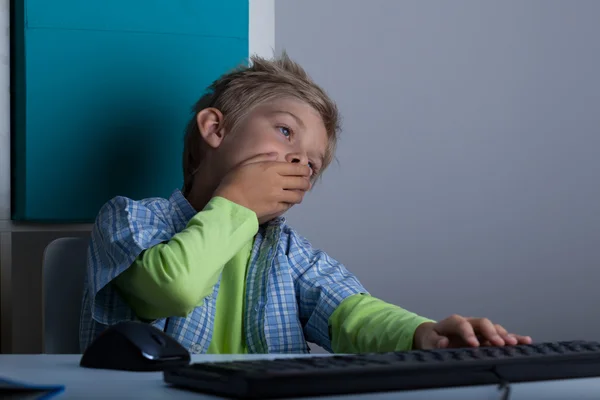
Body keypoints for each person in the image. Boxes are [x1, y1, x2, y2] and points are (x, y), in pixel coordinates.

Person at [79, 53, 531, 354]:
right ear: (215, 130)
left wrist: (421, 332)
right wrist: (236, 202)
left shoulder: (293, 255)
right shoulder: (127, 218)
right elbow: (172, 289)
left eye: (312, 165)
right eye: (284, 131)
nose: (299, 159)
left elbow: (352, 312)